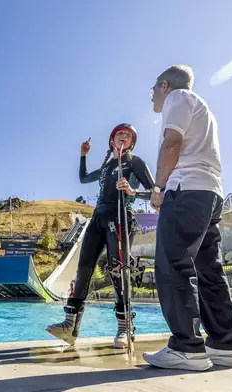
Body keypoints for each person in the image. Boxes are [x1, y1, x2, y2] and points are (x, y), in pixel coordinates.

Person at [143, 65, 232, 371]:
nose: (151, 96)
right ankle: (225, 346)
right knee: (208, 271)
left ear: (164, 85)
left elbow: (171, 143)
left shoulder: (178, 98)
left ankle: (187, 347)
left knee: (173, 265)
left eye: (153, 89)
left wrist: (158, 188)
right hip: (210, 195)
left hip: (186, 191)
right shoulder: (204, 108)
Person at [46, 123, 155, 349]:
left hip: (121, 217)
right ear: (112, 141)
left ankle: (124, 329)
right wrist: (83, 156)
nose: (123, 137)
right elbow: (83, 178)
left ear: (132, 142)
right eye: (119, 134)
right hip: (97, 219)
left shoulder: (135, 162)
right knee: (83, 269)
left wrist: (133, 192)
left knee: (119, 271)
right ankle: (70, 327)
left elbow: (155, 192)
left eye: (128, 135)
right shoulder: (106, 167)